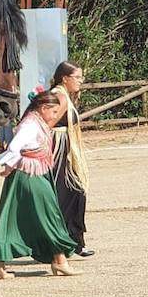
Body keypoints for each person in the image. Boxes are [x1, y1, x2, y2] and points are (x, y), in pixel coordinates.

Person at [0, 89, 79, 279]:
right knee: (49, 215)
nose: (55, 116)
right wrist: (9, 165)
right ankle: (59, 261)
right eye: (53, 112)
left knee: (20, 216)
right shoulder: (30, 124)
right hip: (28, 176)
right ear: (44, 108)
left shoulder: (38, 122)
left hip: (35, 173)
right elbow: (14, 146)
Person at [50, 62, 94, 257]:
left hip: (67, 152)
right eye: (77, 77)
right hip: (56, 153)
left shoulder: (65, 95)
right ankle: (59, 246)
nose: (81, 81)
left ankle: (76, 241)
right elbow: (44, 123)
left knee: (77, 193)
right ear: (65, 78)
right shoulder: (58, 97)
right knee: (62, 199)